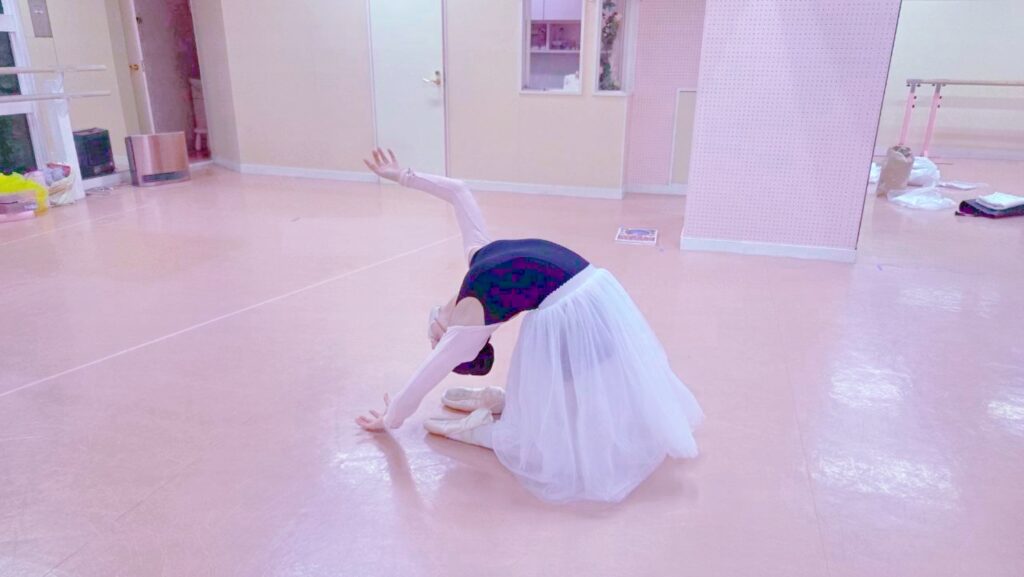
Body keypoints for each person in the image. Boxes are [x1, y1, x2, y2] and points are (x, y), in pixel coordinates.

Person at [356, 149, 703, 503]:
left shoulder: (474, 282)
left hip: (579, 302)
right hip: (593, 293)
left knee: (537, 413)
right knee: (541, 368)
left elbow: (458, 192)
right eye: (435, 337)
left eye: (434, 337)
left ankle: (492, 425)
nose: (433, 337)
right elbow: (430, 372)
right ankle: (510, 409)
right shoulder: (472, 303)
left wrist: (402, 175)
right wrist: (392, 417)